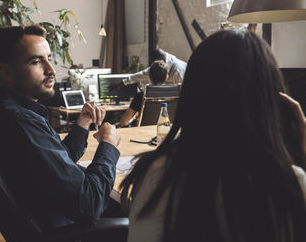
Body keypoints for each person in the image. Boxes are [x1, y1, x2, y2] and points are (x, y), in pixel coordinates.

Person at [120, 29, 306, 242]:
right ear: (270, 100)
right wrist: (301, 153)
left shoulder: (157, 177)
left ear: (193, 95)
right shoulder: (289, 184)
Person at [0, 24, 121, 235]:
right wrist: (108, 144)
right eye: (36, 61)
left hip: (59, 217)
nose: (51, 70)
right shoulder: (20, 123)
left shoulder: (18, 113)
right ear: (6, 71)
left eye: (49, 58)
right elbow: (90, 204)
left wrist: (82, 124)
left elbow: (58, 163)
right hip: (68, 228)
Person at [119, 60, 169, 127]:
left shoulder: (141, 96)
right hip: (165, 132)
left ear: (150, 77)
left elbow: (123, 122)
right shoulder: (173, 94)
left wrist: (133, 118)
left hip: (144, 133)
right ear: (166, 77)